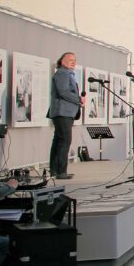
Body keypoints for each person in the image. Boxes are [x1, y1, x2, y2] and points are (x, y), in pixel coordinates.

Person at [47, 52, 83, 180]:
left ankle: (55, 171)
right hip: (63, 112)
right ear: (62, 61)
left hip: (64, 112)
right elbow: (63, 92)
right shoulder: (63, 73)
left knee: (59, 141)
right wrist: (78, 99)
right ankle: (61, 171)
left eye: (74, 60)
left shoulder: (67, 73)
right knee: (64, 141)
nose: (73, 62)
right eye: (69, 59)